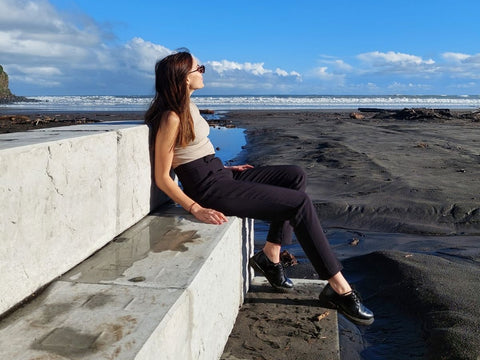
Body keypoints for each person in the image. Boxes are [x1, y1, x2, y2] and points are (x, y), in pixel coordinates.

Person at [144, 51, 374, 326]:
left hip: (220, 175)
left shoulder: (189, 106)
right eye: (199, 68)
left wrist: (227, 169)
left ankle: (270, 257)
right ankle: (339, 288)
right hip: (209, 190)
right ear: (183, 78)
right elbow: (162, 176)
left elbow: (194, 152)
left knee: (295, 176)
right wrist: (195, 208)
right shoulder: (171, 117)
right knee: (299, 204)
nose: (204, 72)